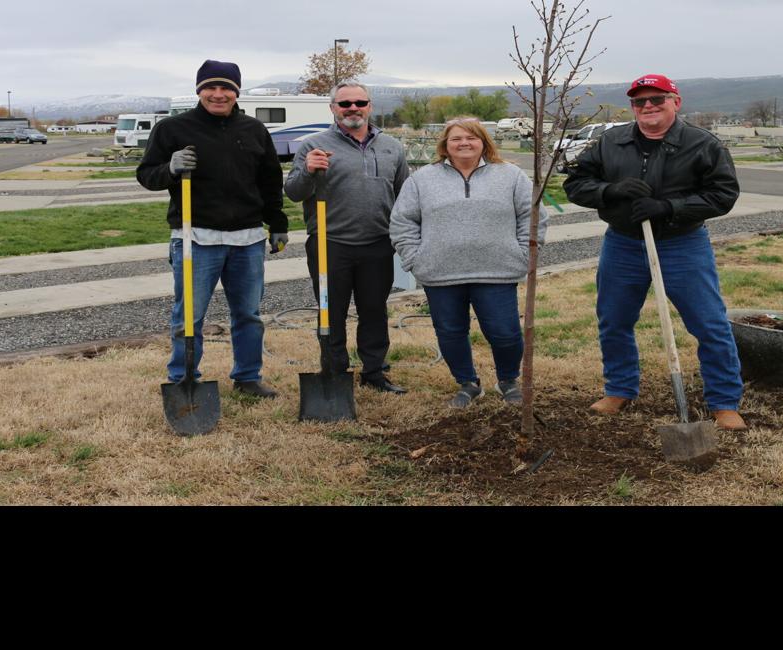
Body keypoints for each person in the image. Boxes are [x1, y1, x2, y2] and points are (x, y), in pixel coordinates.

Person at [563, 74, 745, 430]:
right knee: (613, 320)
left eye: (657, 99)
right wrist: (611, 191)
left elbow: (723, 195)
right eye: (639, 101)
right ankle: (619, 389)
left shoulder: (703, 144)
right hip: (624, 243)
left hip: (683, 244)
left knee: (709, 324)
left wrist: (669, 208)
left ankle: (724, 402)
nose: (648, 107)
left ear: (675, 102)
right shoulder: (610, 142)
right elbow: (575, 184)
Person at [137, 59, 289, 397]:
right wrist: (171, 168)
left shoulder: (253, 130)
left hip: (247, 239)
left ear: (236, 92)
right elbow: (147, 175)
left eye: (226, 88)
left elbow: (269, 180)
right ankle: (184, 378)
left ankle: (248, 377)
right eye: (211, 87)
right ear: (199, 90)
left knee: (248, 314)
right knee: (188, 316)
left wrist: (277, 221)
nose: (218, 95)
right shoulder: (173, 129)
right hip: (195, 238)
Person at [389, 116, 540, 408]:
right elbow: (402, 221)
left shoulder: (511, 175)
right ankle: (467, 383)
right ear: (445, 145)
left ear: (484, 142)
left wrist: (525, 253)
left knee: (505, 332)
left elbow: (532, 217)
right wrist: (414, 259)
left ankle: (508, 380)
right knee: (450, 332)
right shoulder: (422, 179)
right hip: (440, 272)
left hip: (497, 270)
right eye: (456, 138)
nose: (464, 143)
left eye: (471, 137)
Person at [284, 79, 411, 393]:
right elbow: (294, 193)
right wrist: (307, 171)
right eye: (345, 104)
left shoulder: (391, 146)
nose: (353, 109)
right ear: (333, 108)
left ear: (369, 106)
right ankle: (335, 372)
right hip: (330, 243)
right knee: (331, 310)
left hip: (379, 243)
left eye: (360, 103)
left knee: (374, 310)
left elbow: (405, 195)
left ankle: (375, 372)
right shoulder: (313, 145)